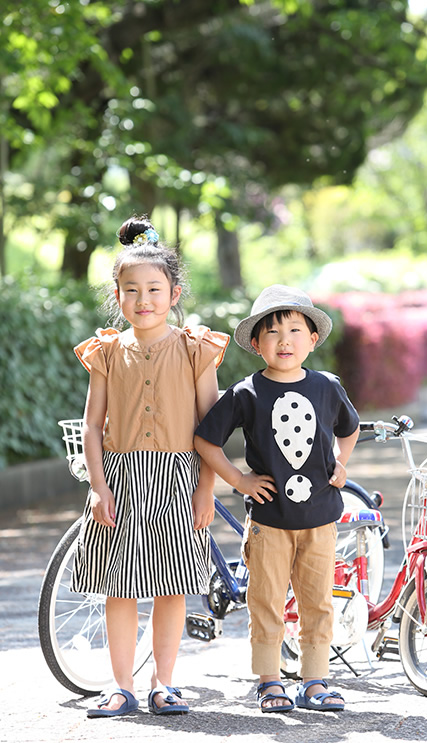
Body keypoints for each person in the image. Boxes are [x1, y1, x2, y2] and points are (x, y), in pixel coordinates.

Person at [71, 215, 229, 718]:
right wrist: (98, 487)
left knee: (171, 587)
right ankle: (122, 686)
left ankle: (165, 683)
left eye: (155, 289)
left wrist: (206, 489)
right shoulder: (106, 352)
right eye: (132, 290)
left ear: (174, 293)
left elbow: (211, 428)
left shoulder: (195, 349)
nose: (144, 300)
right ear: (117, 296)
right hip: (118, 480)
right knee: (118, 587)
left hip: (180, 481)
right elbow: (92, 426)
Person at [194, 284, 360, 713]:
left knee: (317, 603)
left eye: (294, 331)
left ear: (313, 339)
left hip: (320, 519)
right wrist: (239, 479)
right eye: (272, 332)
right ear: (256, 343)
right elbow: (206, 440)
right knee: (265, 602)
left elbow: (349, 428)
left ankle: (315, 680)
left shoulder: (327, 386)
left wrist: (341, 464)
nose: (284, 341)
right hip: (268, 523)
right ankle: (269, 681)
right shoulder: (246, 392)